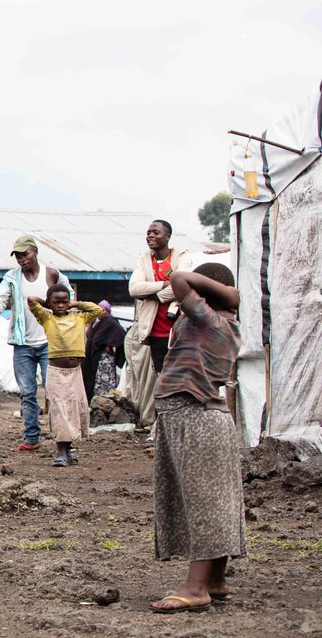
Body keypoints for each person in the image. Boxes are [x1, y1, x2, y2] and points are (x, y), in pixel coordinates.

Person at [148, 264, 243, 614]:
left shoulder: (209, 318)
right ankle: (215, 580)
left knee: (204, 504)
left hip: (195, 417)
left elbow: (179, 279)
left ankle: (196, 587)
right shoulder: (219, 321)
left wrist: (228, 293)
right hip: (197, 418)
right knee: (213, 500)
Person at [0, 235, 74, 451]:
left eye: (26, 254)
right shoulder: (12, 277)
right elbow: (0, 297)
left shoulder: (51, 274)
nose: (22, 259)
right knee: (27, 391)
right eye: (18, 255)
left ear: (35, 252)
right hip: (23, 342)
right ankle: (32, 437)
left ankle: (63, 438)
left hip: (49, 341)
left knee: (55, 390)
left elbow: (69, 295)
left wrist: (65, 315)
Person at [125, 220, 192, 429]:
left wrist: (154, 295)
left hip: (179, 329)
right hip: (155, 331)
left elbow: (182, 284)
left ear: (168, 236)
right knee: (163, 379)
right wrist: (165, 284)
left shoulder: (181, 257)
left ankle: (182, 423)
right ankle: (166, 426)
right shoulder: (144, 259)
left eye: (156, 232)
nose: (150, 236)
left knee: (180, 378)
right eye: (148, 232)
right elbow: (134, 289)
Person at [26, 288, 104, 467]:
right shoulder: (47, 318)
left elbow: (97, 310)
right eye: (56, 302)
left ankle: (68, 448)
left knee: (73, 410)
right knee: (60, 411)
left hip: (75, 372)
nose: (61, 305)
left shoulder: (79, 317)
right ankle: (60, 452)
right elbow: (31, 300)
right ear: (49, 302)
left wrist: (76, 303)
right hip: (56, 373)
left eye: (65, 301)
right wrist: (46, 305)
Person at [83, 300, 125, 399]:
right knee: (94, 379)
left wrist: (109, 345)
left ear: (107, 311)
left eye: (101, 310)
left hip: (105, 358)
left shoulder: (110, 322)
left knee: (104, 382)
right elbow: (90, 337)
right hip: (95, 356)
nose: (99, 312)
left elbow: (120, 335)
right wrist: (91, 322)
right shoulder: (99, 323)